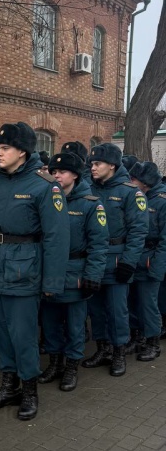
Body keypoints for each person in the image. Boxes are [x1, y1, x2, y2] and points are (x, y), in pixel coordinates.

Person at [0, 122, 69, 420]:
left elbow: (57, 237)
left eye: (4, 149)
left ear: (22, 152)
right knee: (0, 333)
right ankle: (9, 385)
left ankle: (29, 390)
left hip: (25, 271)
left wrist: (52, 280)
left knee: (23, 335)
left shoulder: (44, 187)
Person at [39, 152, 108, 390]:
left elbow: (99, 244)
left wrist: (92, 275)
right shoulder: (46, 198)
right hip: (50, 272)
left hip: (76, 272)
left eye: (62, 172)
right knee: (50, 323)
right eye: (54, 171)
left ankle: (71, 367)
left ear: (75, 175)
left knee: (75, 325)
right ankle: (55, 363)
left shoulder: (90, 204)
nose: (56, 175)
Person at [82, 143, 148, 376]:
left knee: (117, 310)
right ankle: (103, 348)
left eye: (98, 164)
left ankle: (119, 352)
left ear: (112, 165)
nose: (93, 168)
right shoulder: (88, 189)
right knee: (96, 309)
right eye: (91, 164)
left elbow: (138, 231)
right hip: (92, 261)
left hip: (117, 261)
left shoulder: (130, 193)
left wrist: (129, 262)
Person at [126, 161, 166, 361]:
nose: (130, 182)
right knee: (132, 301)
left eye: (134, 179)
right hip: (135, 256)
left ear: (146, 182)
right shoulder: (136, 197)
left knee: (149, 304)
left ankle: (152, 342)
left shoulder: (162, 200)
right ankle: (137, 337)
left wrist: (157, 267)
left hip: (150, 257)